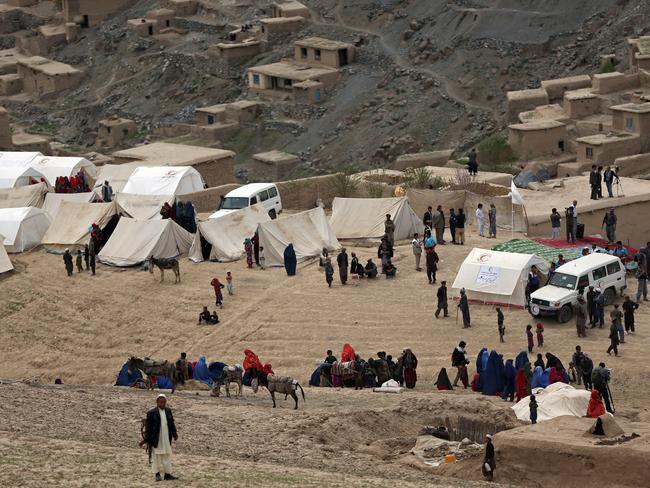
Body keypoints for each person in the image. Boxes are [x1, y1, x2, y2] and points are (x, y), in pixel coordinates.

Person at [142, 394, 178, 482]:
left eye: (164, 402)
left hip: (166, 438)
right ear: (157, 402)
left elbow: (171, 424)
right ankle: (157, 474)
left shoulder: (168, 411)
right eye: (160, 402)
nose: (162, 403)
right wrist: (146, 440)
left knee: (167, 455)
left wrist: (174, 434)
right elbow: (148, 428)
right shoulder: (151, 413)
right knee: (156, 457)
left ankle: (167, 474)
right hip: (156, 438)